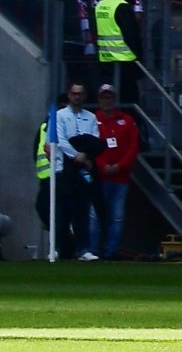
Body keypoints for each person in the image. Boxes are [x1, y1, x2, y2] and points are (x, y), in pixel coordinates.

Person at [38, 77, 99, 261]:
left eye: (80, 94)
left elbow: (94, 140)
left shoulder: (91, 117)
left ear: (85, 96)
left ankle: (84, 249)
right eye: (74, 94)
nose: (77, 97)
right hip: (63, 169)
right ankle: (55, 248)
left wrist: (86, 155)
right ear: (69, 95)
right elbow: (59, 141)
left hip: (82, 170)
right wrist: (76, 155)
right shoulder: (59, 115)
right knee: (60, 212)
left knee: (82, 210)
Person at [91, 84, 140, 261]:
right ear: (99, 100)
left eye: (110, 97)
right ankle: (92, 251)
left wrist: (119, 166)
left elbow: (133, 147)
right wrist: (102, 165)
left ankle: (110, 251)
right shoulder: (92, 120)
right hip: (100, 177)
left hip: (121, 177)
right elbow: (89, 145)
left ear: (115, 99)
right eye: (104, 97)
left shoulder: (127, 120)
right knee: (95, 215)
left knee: (117, 217)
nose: (107, 101)